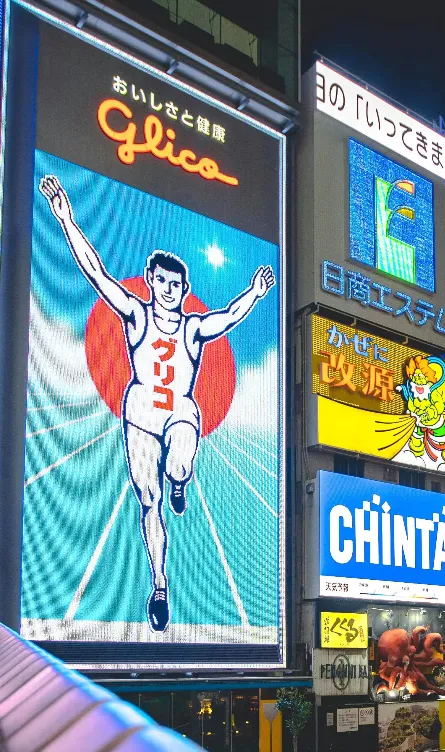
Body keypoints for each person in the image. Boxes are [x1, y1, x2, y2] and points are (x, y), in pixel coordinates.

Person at [39, 174, 276, 633]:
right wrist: (66, 217)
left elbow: (226, 317)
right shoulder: (136, 314)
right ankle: (160, 582)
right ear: (151, 281)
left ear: (185, 289)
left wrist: (256, 292)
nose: (169, 289)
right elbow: (96, 274)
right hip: (141, 413)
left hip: (180, 412)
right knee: (148, 499)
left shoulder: (191, 327)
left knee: (180, 461)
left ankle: (181, 478)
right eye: (162, 281)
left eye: (176, 284)